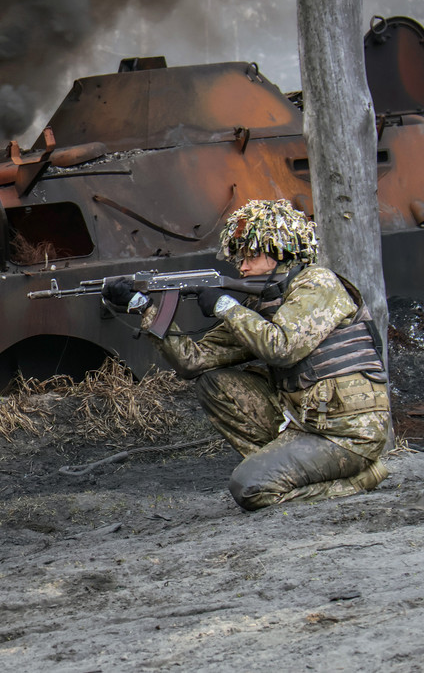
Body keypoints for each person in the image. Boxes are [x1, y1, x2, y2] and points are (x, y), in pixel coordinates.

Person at [102, 199, 389, 510]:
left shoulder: (317, 283)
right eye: (239, 257)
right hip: (308, 425)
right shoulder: (262, 305)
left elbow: (281, 347)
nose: (241, 266)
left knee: (250, 489)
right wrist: (144, 307)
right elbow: (192, 361)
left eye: (251, 255)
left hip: (349, 433)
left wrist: (226, 307)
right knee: (212, 381)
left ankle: (362, 477)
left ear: (281, 250)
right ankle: (281, 468)